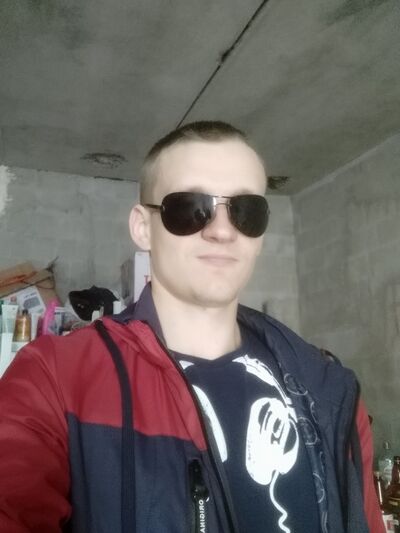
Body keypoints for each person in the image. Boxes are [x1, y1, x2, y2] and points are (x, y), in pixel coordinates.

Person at [0, 121, 384, 533]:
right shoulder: (56, 379)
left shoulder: (329, 390)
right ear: (143, 227)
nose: (221, 230)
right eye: (190, 208)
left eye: (245, 211)